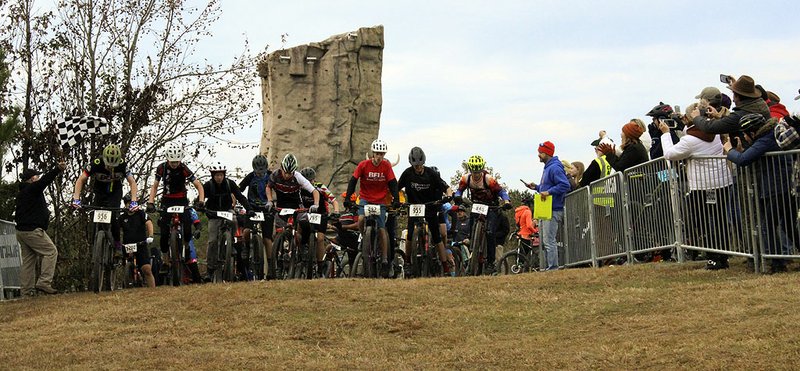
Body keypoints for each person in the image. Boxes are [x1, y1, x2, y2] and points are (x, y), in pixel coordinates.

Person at [659, 106, 734, 269]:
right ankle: (723, 257)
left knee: (703, 223)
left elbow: (670, 154)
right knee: (720, 220)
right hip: (722, 182)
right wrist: (687, 121)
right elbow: (694, 129)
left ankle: (713, 257)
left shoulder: (690, 141)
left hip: (702, 186)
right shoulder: (713, 132)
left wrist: (666, 134)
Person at [726, 113, 796, 273]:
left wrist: (730, 151)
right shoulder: (770, 135)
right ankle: (780, 260)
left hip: (776, 188)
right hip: (781, 186)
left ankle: (777, 263)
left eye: (744, 133)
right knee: (789, 225)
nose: (744, 136)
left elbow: (743, 160)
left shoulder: (765, 139)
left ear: (752, 132)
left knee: (768, 226)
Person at [343, 139, 400, 277]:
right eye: (377, 153)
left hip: (380, 201)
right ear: (373, 153)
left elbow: (392, 183)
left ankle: (385, 258)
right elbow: (353, 181)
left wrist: (396, 199)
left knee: (382, 229)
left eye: (382, 153)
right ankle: (364, 237)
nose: (379, 156)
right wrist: (347, 198)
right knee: (361, 218)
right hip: (366, 199)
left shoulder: (386, 166)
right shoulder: (363, 165)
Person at [397, 147, 454, 276]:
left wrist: (449, 196)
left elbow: (446, 188)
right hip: (414, 207)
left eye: (420, 165)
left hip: (430, 207)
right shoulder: (407, 173)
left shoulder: (431, 173)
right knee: (410, 234)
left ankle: (445, 267)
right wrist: (397, 200)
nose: (418, 168)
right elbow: (397, 188)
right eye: (415, 166)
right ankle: (407, 262)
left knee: (437, 236)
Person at [147, 142, 205, 263]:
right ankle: (165, 260)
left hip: (181, 200)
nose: (174, 164)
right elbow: (155, 186)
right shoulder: (161, 168)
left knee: (188, 226)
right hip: (167, 201)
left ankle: (187, 247)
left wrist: (201, 201)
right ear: (168, 159)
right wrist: (150, 202)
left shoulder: (183, 168)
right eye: (172, 162)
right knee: (163, 232)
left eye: (176, 162)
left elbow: (198, 185)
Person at [71, 144, 139, 248]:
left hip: (115, 193)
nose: (111, 167)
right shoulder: (96, 163)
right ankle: (92, 244)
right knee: (94, 215)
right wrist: (76, 198)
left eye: (113, 165)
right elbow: (81, 179)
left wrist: (134, 201)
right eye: (108, 165)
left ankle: (117, 243)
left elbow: (132, 183)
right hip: (99, 192)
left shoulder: (122, 165)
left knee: (113, 217)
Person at [455, 154, 513, 274]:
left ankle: (491, 262)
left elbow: (501, 191)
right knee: (472, 218)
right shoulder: (466, 178)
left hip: (491, 206)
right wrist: (457, 197)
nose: (476, 174)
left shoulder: (488, 179)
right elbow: (459, 190)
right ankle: (472, 240)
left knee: (490, 232)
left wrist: (506, 201)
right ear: (470, 170)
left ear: (482, 170)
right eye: (474, 172)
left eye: (478, 172)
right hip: (477, 204)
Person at [15, 161, 66, 296]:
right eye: (36, 177)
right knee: (51, 252)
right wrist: (57, 169)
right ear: (32, 179)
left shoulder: (22, 193)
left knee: (28, 261)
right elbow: (45, 181)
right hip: (32, 231)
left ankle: (26, 292)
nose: (38, 178)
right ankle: (44, 282)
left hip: (21, 232)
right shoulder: (31, 189)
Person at [266, 153, 320, 277]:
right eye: (285, 172)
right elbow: (268, 187)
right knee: (278, 233)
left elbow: (314, 191)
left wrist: (315, 204)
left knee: (306, 222)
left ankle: (304, 245)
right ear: (281, 168)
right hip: (281, 207)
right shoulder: (275, 175)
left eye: (290, 173)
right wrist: (269, 200)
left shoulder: (298, 177)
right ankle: (278, 261)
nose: (287, 175)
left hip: (297, 207)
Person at [523, 141, 571, 271]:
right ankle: (549, 267)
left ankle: (553, 268)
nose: (538, 155)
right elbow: (549, 187)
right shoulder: (548, 167)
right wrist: (537, 187)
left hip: (553, 210)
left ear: (547, 153)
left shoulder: (554, 167)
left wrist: (549, 192)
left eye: (540, 152)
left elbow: (565, 185)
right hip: (547, 210)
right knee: (546, 241)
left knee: (549, 241)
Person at [202, 162, 252, 280]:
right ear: (212, 176)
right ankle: (210, 270)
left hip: (227, 211)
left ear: (224, 175)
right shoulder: (208, 185)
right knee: (212, 241)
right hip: (213, 214)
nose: (219, 177)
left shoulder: (230, 184)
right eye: (216, 175)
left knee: (234, 219)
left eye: (221, 175)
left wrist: (249, 209)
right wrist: (199, 205)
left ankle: (232, 242)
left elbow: (240, 197)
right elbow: (200, 197)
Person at [690, 75, 770, 135]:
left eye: (734, 95)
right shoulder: (761, 105)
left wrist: (696, 117)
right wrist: (719, 116)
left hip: (749, 155)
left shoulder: (739, 116)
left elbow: (711, 127)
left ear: (738, 96)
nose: (733, 100)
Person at [299, 166, 339, 276]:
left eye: (311, 180)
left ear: (314, 179)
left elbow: (334, 200)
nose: (309, 183)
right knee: (299, 231)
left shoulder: (320, 187)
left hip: (321, 214)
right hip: (306, 214)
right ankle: (300, 251)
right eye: (306, 181)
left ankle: (320, 267)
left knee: (320, 238)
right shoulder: (299, 188)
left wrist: (336, 211)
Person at [238, 154, 271, 280]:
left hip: (266, 208)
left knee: (267, 238)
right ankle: (245, 248)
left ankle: (271, 266)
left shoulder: (270, 176)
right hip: (251, 208)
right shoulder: (250, 176)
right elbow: (238, 189)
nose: (260, 174)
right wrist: (234, 200)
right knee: (246, 231)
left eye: (262, 172)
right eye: (258, 172)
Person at [119, 194, 156, 288]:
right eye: (127, 203)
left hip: (141, 244)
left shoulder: (141, 213)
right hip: (127, 246)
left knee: (147, 269)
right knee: (126, 267)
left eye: (131, 203)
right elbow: (117, 230)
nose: (129, 205)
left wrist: (151, 236)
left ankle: (153, 291)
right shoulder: (122, 217)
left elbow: (149, 223)